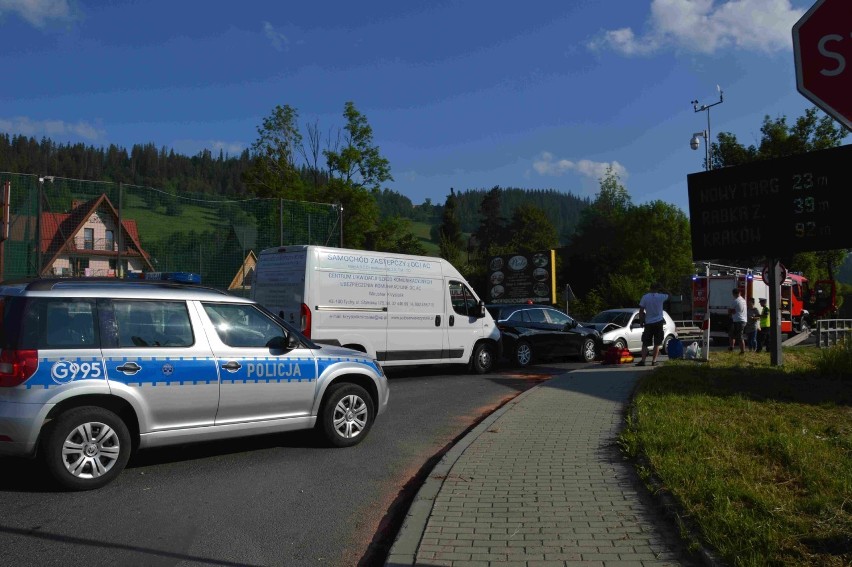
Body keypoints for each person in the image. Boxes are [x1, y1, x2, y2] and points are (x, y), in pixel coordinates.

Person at [636, 282, 669, 366]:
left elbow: (641, 311)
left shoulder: (645, 297)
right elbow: (669, 295)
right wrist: (663, 288)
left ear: (650, 288)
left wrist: (641, 321)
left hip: (648, 323)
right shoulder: (661, 296)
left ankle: (643, 361)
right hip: (658, 322)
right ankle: (654, 361)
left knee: (645, 343)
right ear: (657, 289)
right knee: (657, 343)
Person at [728, 288, 747, 354]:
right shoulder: (743, 300)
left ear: (733, 294)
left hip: (738, 320)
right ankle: (731, 347)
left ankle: (742, 351)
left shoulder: (736, 301)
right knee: (732, 334)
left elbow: (729, 311)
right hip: (742, 320)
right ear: (740, 293)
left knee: (739, 336)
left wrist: (732, 311)